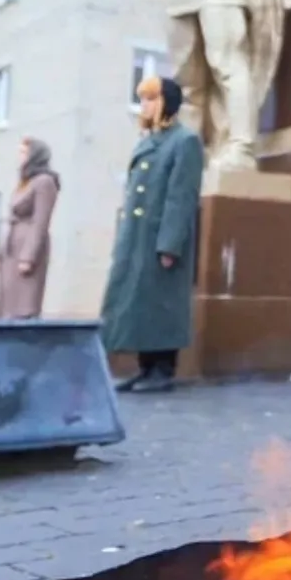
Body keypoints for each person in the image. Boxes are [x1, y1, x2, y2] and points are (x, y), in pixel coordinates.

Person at [100, 75, 204, 393]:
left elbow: (181, 197)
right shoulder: (147, 142)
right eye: (142, 99)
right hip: (137, 238)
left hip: (160, 238)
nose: (143, 106)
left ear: (164, 103)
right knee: (139, 302)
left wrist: (170, 244)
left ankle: (162, 369)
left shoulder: (184, 141)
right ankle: (145, 368)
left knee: (161, 303)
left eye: (149, 99)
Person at [0, 137, 59, 319]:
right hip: (13, 246)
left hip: (27, 246)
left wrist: (28, 257)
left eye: (24, 152)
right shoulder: (26, 182)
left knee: (24, 301)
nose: (20, 156)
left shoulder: (45, 182)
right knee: (8, 301)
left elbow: (41, 221)